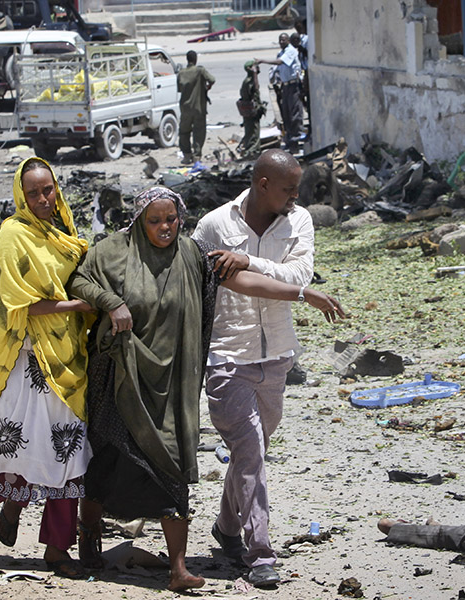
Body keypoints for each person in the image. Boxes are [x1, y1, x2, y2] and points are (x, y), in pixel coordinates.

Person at [68, 186, 344, 592]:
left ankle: (178, 568)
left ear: (181, 217)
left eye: (171, 219)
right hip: (121, 378)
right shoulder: (112, 251)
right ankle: (89, 533)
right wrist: (111, 301)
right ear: (138, 222)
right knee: (108, 457)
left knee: (172, 464)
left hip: (175, 384)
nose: (164, 228)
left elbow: (246, 282)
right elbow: (80, 280)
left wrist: (303, 294)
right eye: (155, 221)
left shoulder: (193, 256)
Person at [0, 157, 95, 580]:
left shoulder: (64, 231)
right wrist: (75, 305)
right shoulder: (12, 236)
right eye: (34, 193)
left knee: (66, 448)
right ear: (21, 195)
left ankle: (56, 549)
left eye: (48, 190)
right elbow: (15, 304)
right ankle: (16, 506)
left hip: (68, 354)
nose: (43, 199)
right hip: (31, 358)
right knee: (35, 440)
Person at [190, 149, 314, 588]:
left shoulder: (299, 220)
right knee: (252, 451)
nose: (296, 196)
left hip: (278, 355)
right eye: (289, 188)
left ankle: (225, 526)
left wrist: (249, 259)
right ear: (263, 184)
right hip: (228, 357)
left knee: (250, 453)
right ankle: (259, 551)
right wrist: (242, 265)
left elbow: (299, 275)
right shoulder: (214, 225)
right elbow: (214, 282)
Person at [256, 33, 303, 152]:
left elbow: (280, 62)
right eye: (280, 40)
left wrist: (262, 60)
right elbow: (277, 69)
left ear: (288, 40)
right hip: (285, 86)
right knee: (285, 114)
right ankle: (288, 139)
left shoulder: (291, 51)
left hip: (293, 85)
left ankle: (295, 142)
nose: (282, 42)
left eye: (284, 40)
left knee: (294, 115)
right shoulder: (281, 53)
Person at [176, 50, 215, 164]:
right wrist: (207, 87)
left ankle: (187, 155)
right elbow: (212, 79)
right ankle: (197, 156)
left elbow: (180, 89)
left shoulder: (181, 73)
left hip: (185, 108)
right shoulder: (200, 71)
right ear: (196, 59)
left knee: (184, 132)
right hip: (199, 107)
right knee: (199, 131)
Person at [237, 60, 264, 158]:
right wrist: (255, 74)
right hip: (251, 111)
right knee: (253, 133)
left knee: (251, 131)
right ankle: (252, 152)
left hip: (250, 111)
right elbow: (255, 88)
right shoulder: (249, 81)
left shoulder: (249, 79)